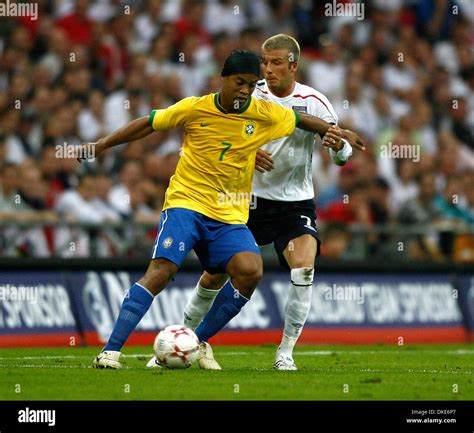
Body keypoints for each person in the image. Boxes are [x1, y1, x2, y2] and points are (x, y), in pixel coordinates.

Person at [82, 49, 363, 369]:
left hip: (229, 215)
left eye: (251, 84)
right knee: (162, 271)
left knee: (250, 270)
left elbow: (302, 120)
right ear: (224, 79)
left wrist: (335, 132)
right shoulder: (194, 107)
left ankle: (195, 342)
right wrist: (102, 144)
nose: (245, 90)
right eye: (240, 83)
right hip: (186, 204)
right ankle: (110, 351)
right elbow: (147, 123)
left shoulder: (263, 112)